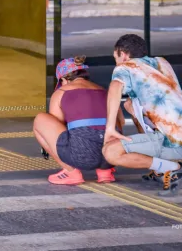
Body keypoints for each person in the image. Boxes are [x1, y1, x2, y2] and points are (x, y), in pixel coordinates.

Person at [102, 34, 182, 196]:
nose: (116, 62)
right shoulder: (161, 63)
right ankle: (159, 169)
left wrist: (110, 127)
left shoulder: (125, 67)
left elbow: (115, 86)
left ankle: (175, 169)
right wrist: (134, 112)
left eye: (115, 57)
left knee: (110, 152)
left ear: (122, 54)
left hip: (177, 143)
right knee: (131, 108)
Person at [33, 56, 121, 185]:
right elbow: (120, 123)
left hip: (82, 156)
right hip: (112, 154)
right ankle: (105, 172)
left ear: (64, 79)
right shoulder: (106, 92)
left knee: (40, 119)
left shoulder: (61, 92)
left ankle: (71, 172)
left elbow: (57, 127)